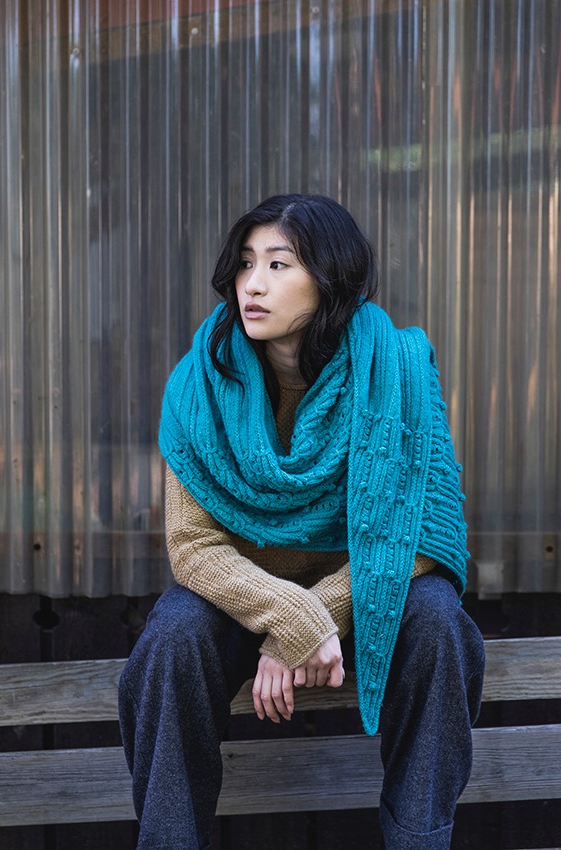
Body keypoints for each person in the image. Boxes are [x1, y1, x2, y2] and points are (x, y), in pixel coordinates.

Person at [118, 193, 485, 850]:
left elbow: (425, 537)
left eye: (279, 264)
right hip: (244, 597)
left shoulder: (397, 369)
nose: (252, 284)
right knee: (172, 633)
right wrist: (290, 621)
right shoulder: (198, 384)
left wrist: (307, 623)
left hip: (368, 587)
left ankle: (420, 840)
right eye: (245, 264)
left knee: (438, 619)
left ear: (330, 277)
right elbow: (194, 546)